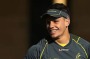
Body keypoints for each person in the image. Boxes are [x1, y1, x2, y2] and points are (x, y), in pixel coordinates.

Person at [24, 3, 90, 59]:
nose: (50, 26)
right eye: (48, 22)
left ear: (67, 22)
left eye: (55, 21)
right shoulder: (37, 50)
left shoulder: (85, 47)